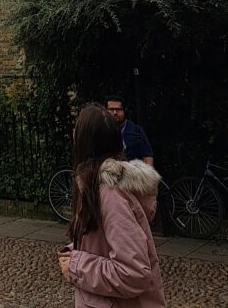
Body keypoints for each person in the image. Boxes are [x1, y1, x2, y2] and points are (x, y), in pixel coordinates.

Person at [58, 103, 166, 307]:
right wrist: (76, 249)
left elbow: (133, 272)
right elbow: (108, 242)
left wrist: (76, 265)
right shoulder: (94, 185)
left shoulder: (110, 193)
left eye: (76, 129)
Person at [106, 97, 154, 165]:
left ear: (124, 110)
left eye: (118, 109)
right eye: (111, 109)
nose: (115, 113)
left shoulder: (136, 130)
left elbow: (147, 157)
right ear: (105, 111)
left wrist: (147, 173)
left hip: (132, 173)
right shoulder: (101, 131)